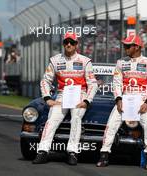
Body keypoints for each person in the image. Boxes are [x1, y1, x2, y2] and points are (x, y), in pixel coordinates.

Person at [32, 32, 98, 165]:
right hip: (62, 94)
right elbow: (45, 81)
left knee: (76, 118)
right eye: (66, 42)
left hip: (80, 94)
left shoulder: (85, 61)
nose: (69, 44)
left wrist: (86, 101)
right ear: (63, 44)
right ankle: (43, 151)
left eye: (72, 42)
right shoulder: (55, 60)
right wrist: (47, 98)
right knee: (52, 118)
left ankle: (72, 152)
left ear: (76, 44)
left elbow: (93, 83)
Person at [96, 35, 147, 170]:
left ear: (136, 47)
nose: (125, 48)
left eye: (128, 46)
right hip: (125, 99)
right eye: (124, 45)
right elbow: (117, 83)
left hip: (142, 99)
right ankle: (104, 155)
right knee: (111, 125)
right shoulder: (120, 63)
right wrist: (118, 99)